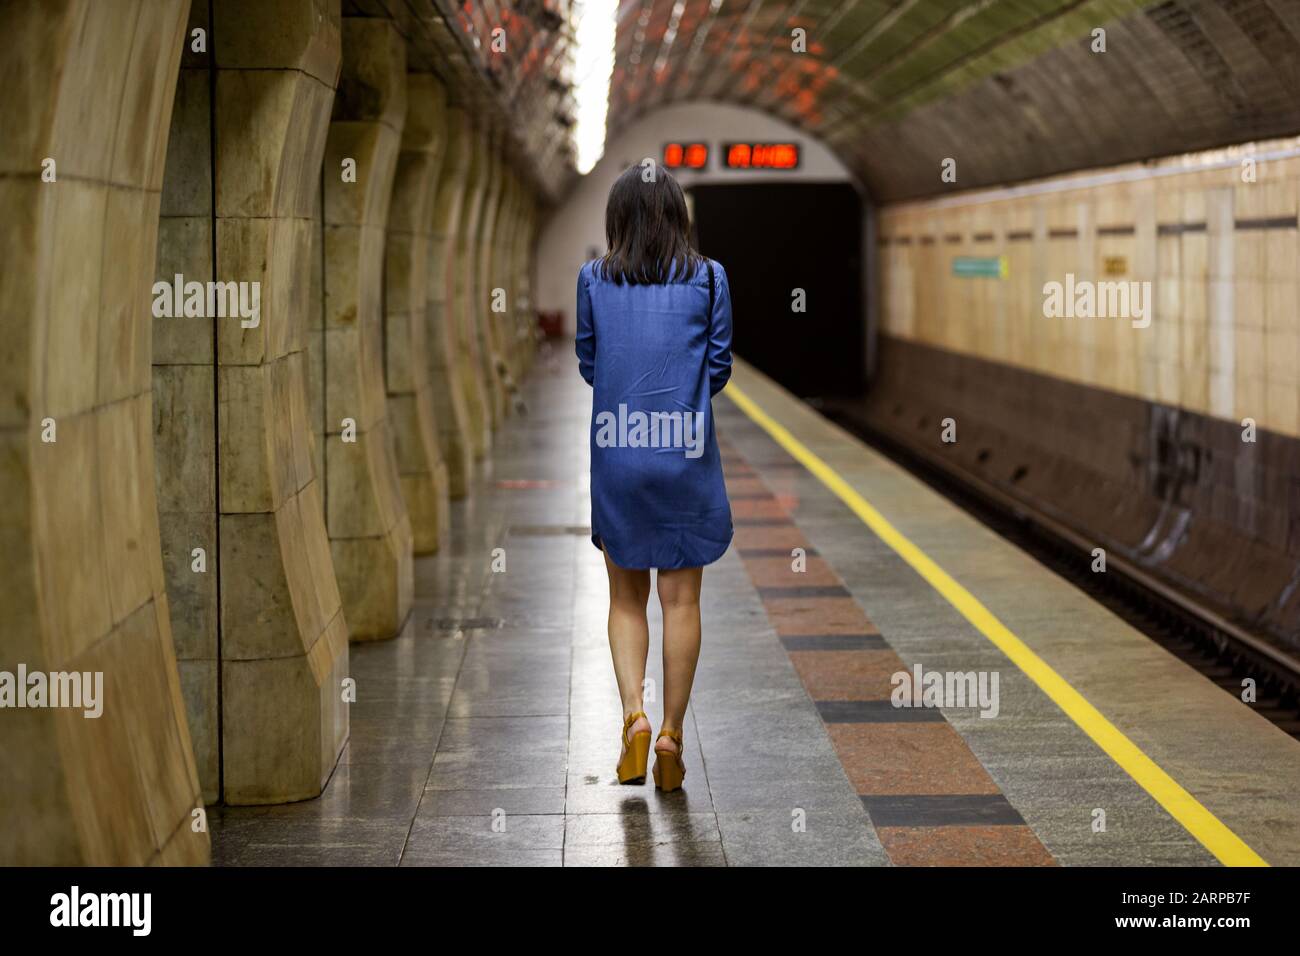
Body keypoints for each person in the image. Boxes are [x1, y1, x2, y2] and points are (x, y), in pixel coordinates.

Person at [575, 162, 733, 792]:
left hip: (619, 455)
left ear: (617, 220)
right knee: (682, 601)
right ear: (678, 216)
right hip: (684, 456)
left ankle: (633, 718)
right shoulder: (710, 278)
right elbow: (717, 368)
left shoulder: (593, 278)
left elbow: (590, 363)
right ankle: (670, 733)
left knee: (624, 599)